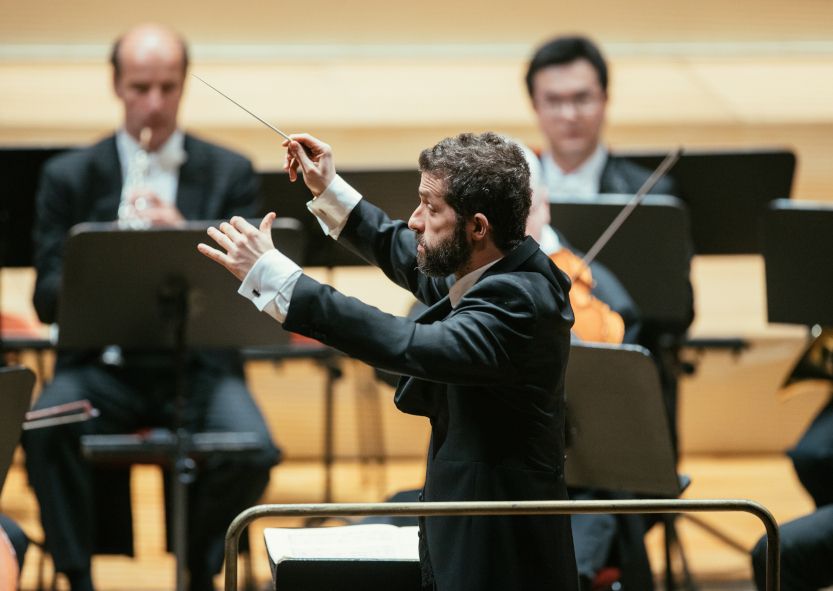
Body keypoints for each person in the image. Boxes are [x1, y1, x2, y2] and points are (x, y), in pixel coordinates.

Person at [200, 131, 579, 591]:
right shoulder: (491, 269)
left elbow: (407, 344)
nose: (415, 220)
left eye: (430, 207)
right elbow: (402, 251)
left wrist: (278, 279)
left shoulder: (519, 303)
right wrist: (329, 188)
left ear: (478, 227)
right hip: (469, 526)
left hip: (502, 553)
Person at [23, 23, 280, 591]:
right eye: (141, 87)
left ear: (184, 84)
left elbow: (255, 284)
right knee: (43, 429)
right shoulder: (69, 176)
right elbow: (45, 299)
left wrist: (184, 236)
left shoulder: (228, 171)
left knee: (254, 450)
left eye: (168, 87)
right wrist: (110, 253)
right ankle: (77, 576)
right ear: (116, 86)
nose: (155, 104)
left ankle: (197, 568)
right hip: (100, 368)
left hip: (199, 366)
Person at [525, 34, 678, 201]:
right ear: (535, 106)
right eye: (554, 101)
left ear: (605, 99)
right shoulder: (511, 192)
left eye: (582, 99)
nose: (569, 115)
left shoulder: (652, 193)